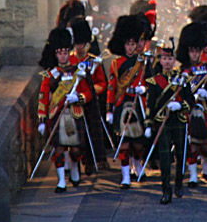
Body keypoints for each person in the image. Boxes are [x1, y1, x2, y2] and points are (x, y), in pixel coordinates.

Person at [37, 27, 94, 193]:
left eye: (65, 52)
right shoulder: (50, 75)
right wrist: (41, 119)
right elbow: (43, 98)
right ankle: (61, 180)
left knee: (76, 149)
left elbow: (89, 93)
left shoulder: (78, 72)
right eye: (59, 53)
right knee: (59, 148)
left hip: (75, 113)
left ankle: (75, 167)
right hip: (57, 115)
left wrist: (79, 97)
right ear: (55, 55)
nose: (63, 56)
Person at [144, 39, 195, 203]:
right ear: (160, 60)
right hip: (162, 121)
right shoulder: (154, 81)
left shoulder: (182, 79)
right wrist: (148, 123)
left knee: (181, 154)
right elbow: (150, 104)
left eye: (170, 59)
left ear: (174, 60)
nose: (167, 62)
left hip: (178, 120)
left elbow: (191, 101)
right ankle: (166, 190)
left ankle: (179, 184)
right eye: (164, 59)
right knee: (165, 157)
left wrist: (179, 105)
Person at [177, 21, 207, 186]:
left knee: (205, 144)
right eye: (191, 50)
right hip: (189, 110)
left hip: (206, 108)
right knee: (192, 145)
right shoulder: (183, 70)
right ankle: (192, 176)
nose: (194, 54)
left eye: (197, 50)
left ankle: (206, 167)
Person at [106, 15, 149, 189]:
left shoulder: (143, 62)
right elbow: (111, 87)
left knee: (138, 143)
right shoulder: (116, 64)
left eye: (133, 44)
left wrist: (143, 89)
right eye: (127, 44)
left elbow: (149, 82)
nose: (130, 47)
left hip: (138, 103)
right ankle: (125, 176)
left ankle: (137, 163)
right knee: (123, 142)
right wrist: (109, 109)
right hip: (122, 103)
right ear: (123, 45)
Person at [69, 16, 108, 173]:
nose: (79, 47)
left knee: (92, 133)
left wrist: (90, 95)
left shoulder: (93, 61)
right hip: (73, 102)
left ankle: (92, 161)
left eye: (82, 43)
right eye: (77, 43)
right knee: (76, 137)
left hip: (89, 101)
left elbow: (101, 83)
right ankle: (75, 164)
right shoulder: (69, 60)